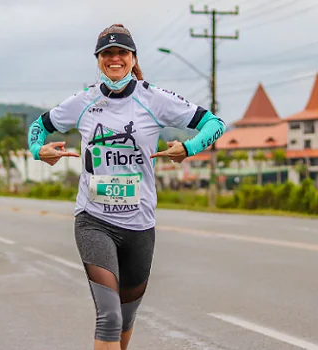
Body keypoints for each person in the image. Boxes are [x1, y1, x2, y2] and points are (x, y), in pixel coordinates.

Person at [28, 24, 226, 350]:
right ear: (98, 60)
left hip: (140, 225)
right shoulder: (83, 102)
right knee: (109, 317)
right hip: (94, 221)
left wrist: (188, 148)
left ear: (133, 58)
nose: (115, 58)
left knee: (126, 318)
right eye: (107, 53)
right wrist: (39, 151)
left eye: (122, 52)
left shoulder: (154, 99)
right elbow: (38, 127)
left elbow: (214, 124)